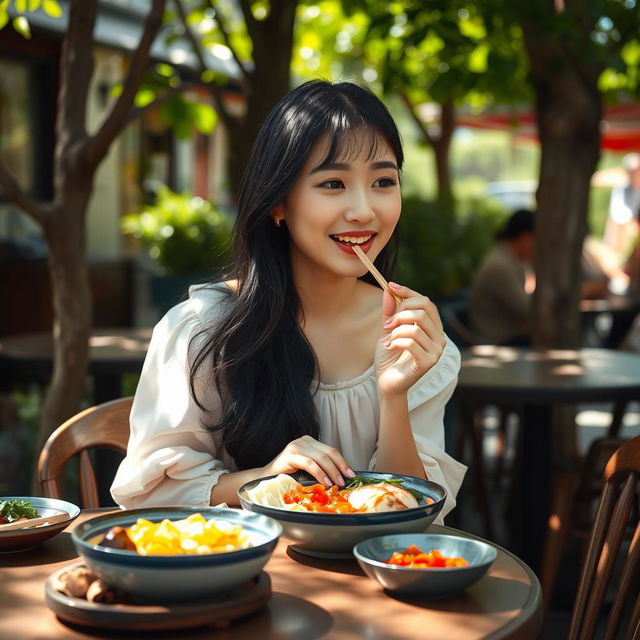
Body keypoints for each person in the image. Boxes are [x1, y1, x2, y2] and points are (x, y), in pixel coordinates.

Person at [111, 80, 466, 520]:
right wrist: (266, 478)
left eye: (383, 181)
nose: (363, 210)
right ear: (278, 202)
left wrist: (393, 395)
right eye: (333, 183)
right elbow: (151, 494)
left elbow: (415, 519)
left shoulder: (413, 339)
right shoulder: (203, 330)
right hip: (242, 576)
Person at [470, 209, 534, 345]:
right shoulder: (501, 266)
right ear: (525, 237)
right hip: (500, 341)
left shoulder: (510, 259)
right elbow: (528, 309)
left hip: (509, 337)